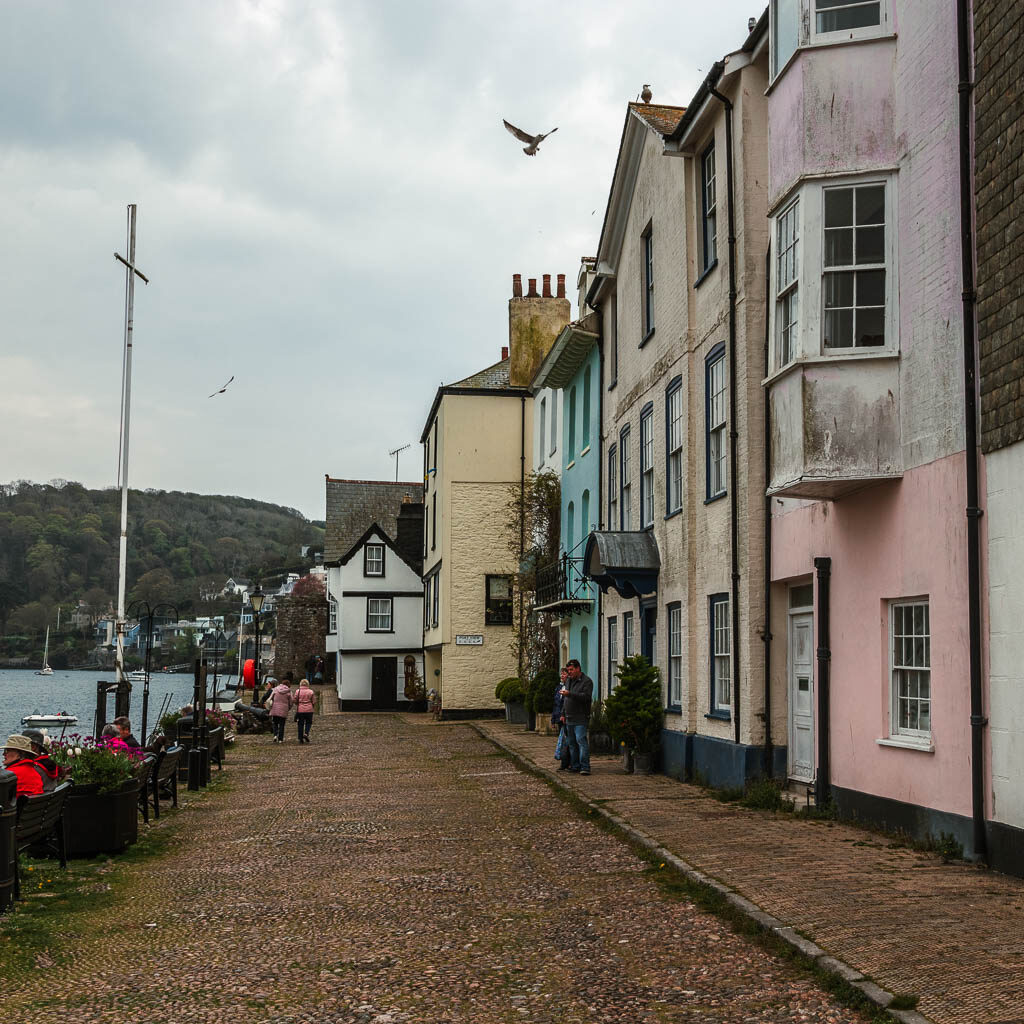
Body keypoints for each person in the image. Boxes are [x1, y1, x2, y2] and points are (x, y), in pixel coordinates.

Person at [561, 658, 593, 775]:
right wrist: (563, 713)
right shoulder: (569, 681)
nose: (569, 672)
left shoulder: (586, 681)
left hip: (581, 717)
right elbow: (565, 699)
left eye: (571, 669)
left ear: (578, 668)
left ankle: (585, 766)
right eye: (568, 670)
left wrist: (570, 694)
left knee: (581, 741)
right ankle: (575, 765)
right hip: (569, 717)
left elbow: (586, 697)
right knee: (572, 743)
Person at [551, 668, 571, 771]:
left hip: (567, 718)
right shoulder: (558, 688)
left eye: (564, 674)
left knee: (567, 742)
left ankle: (567, 763)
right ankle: (564, 763)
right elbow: (556, 704)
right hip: (559, 718)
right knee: (562, 741)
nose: (562, 676)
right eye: (561, 674)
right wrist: (553, 719)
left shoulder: (570, 688)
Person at [266, 677, 293, 743]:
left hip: (275, 708)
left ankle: (275, 735)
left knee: (275, 723)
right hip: (283, 709)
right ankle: (280, 739)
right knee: (282, 724)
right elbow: (291, 701)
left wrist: (270, 705)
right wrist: (288, 707)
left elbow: (270, 698)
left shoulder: (275, 689)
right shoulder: (289, 691)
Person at [293, 677, 315, 743]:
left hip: (300, 710)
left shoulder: (298, 691)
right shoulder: (311, 691)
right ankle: (306, 733)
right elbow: (314, 701)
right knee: (308, 722)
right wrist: (312, 706)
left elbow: (294, 700)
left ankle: (300, 738)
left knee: (300, 724)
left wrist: (298, 704)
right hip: (309, 710)